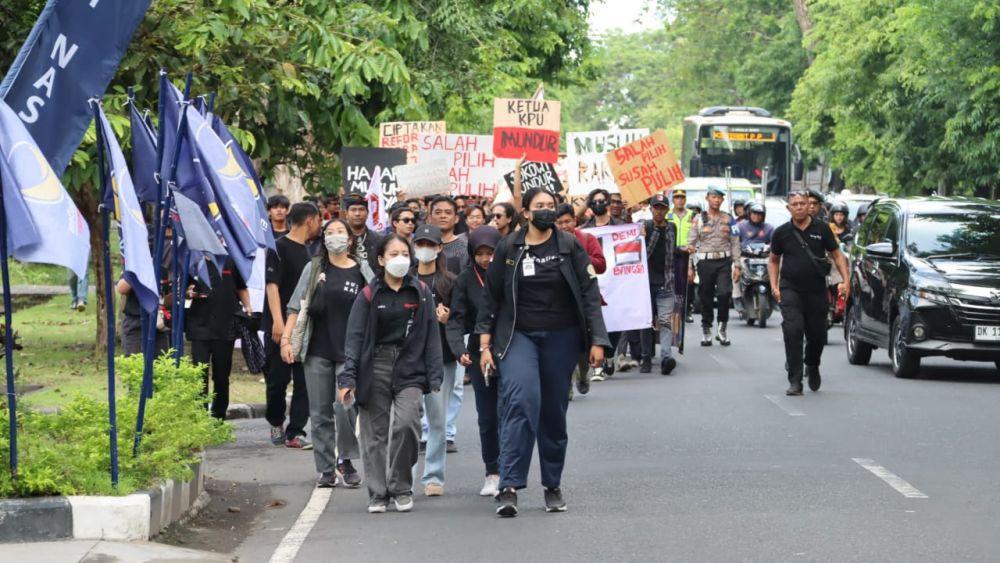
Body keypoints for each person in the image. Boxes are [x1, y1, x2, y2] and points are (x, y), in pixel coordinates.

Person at [477, 187, 610, 517]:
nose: (547, 210)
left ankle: (552, 483)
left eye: (551, 205)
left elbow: (589, 295)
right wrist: (484, 344)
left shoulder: (570, 246)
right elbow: (490, 299)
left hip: (561, 337)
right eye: (540, 206)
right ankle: (509, 486)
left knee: (553, 411)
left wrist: (597, 340)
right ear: (525, 212)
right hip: (517, 336)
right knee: (520, 400)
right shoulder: (509, 247)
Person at [338, 234, 444, 514]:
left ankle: (401, 486)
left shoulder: (420, 292)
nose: (400, 259)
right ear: (381, 260)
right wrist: (348, 378)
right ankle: (378, 493)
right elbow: (355, 337)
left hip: (410, 366)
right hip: (375, 365)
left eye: (404, 254)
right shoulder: (369, 294)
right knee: (374, 434)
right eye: (393, 254)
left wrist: (434, 375)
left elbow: (432, 334)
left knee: (407, 424)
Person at [281, 219, 364, 488]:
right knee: (319, 414)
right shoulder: (314, 267)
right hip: (317, 350)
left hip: (350, 353)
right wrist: (286, 340)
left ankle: (347, 459)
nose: (335, 237)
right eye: (329, 232)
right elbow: (296, 306)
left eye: (341, 232)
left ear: (350, 240)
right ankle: (326, 468)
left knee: (345, 407)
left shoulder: (363, 271)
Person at [768, 192, 850, 395]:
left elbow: (837, 255)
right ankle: (795, 380)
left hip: (816, 290)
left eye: (802, 204)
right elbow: (773, 260)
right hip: (790, 289)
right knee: (793, 330)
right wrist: (774, 285)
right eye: (794, 204)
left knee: (818, 335)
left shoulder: (822, 228)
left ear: (809, 206)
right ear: (789, 208)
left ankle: (812, 364)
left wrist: (846, 280)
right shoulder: (781, 232)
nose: (798, 207)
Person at [446, 226, 503, 497]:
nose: (485, 259)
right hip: (479, 353)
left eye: (490, 253)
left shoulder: (508, 273)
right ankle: (492, 471)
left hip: (511, 348)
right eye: (479, 253)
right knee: (487, 415)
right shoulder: (465, 279)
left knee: (512, 412)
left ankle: (511, 467)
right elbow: (456, 318)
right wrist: (459, 349)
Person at [264, 202, 322, 449]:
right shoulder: (278, 248)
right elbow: (272, 285)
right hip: (279, 324)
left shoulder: (313, 253)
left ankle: (295, 431)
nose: (320, 225)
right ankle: (276, 420)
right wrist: (278, 321)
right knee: (277, 379)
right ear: (310, 220)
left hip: (304, 327)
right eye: (318, 220)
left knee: (304, 381)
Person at [409, 224, 458, 496]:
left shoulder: (449, 282)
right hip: (409, 359)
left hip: (442, 359)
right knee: (408, 419)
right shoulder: (405, 279)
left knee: (437, 420)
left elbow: (461, 318)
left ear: (440, 248)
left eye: (430, 244)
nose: (424, 249)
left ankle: (434, 477)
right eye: (420, 244)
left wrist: (448, 319)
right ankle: (405, 475)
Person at [185, 257, 252, 420]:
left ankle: (218, 416)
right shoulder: (193, 261)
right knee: (199, 373)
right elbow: (184, 288)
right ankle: (199, 417)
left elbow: (241, 287)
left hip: (225, 326)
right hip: (199, 325)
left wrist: (248, 307)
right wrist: (189, 292)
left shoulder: (230, 260)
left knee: (221, 375)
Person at [427, 196, 469, 447]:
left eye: (448, 212)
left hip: (455, 320)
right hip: (425, 322)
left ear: (456, 217)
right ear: (430, 215)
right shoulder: (419, 244)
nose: (443, 215)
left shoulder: (465, 247)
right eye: (438, 211)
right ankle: (426, 431)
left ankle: (448, 432)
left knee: (453, 384)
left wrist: (455, 315)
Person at [554, 203, 607, 392]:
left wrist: (581, 256)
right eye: (559, 223)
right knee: (563, 345)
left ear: (575, 221)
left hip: (584, 300)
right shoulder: (551, 243)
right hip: (561, 303)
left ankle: (583, 373)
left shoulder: (587, 238)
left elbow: (601, 265)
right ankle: (566, 383)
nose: (564, 226)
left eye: (567, 221)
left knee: (583, 345)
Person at [687, 187, 741, 347]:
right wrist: (689, 266)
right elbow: (691, 243)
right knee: (705, 296)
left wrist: (737, 265)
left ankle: (722, 328)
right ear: (707, 198)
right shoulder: (698, 219)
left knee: (724, 294)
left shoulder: (729, 219)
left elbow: (735, 241)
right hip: (705, 262)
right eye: (713, 197)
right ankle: (706, 329)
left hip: (724, 261)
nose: (716, 200)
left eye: (719, 198)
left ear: (722, 200)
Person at [640, 194, 679, 375]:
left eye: (663, 208)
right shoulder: (645, 226)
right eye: (656, 207)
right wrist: (649, 233)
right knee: (646, 322)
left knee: (665, 321)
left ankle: (666, 358)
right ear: (651, 209)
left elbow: (672, 251)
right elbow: (643, 254)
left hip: (666, 282)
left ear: (667, 210)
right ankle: (646, 358)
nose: (659, 211)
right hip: (644, 283)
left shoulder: (672, 227)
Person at [667, 189, 694, 323]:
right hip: (670, 253)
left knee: (689, 283)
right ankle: (673, 311)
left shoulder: (692, 215)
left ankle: (687, 309)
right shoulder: (667, 214)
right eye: (677, 198)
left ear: (685, 200)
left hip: (687, 254)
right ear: (673, 200)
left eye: (682, 198)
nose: (679, 200)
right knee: (672, 283)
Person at [343, 194, 382, 275]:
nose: (357, 213)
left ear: (367, 213)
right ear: (346, 214)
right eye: (353, 210)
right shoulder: (340, 239)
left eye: (361, 209)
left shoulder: (379, 239)